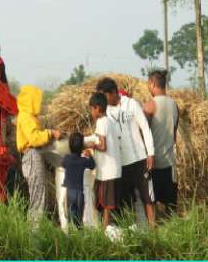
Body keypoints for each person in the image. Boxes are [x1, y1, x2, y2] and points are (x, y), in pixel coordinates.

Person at [97, 77, 156, 227]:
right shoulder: (106, 112)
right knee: (121, 199)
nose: (103, 100)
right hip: (120, 163)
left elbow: (145, 128)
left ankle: (153, 230)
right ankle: (121, 231)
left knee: (147, 198)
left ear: (113, 92)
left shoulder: (132, 104)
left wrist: (150, 153)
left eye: (105, 96)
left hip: (139, 159)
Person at [16, 85, 61, 225]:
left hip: (33, 155)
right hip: (32, 156)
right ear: (30, 100)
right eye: (36, 100)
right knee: (38, 194)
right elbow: (34, 138)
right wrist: (50, 133)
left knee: (39, 192)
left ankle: (35, 228)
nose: (39, 103)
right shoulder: (26, 117)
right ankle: (34, 233)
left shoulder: (27, 117)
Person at [144, 69, 179, 218]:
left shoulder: (150, 105)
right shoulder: (175, 105)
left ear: (152, 84)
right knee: (171, 206)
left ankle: (154, 234)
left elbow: (143, 134)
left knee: (151, 203)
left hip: (154, 163)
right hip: (170, 163)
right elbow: (174, 134)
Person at [85, 91, 121, 228]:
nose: (91, 112)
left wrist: (91, 145)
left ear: (98, 108)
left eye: (91, 109)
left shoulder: (102, 122)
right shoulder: (109, 121)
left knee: (106, 204)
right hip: (112, 170)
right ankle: (106, 228)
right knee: (105, 202)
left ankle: (105, 230)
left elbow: (103, 146)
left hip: (108, 172)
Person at [61, 133, 95, 229]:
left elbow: (62, 164)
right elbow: (92, 165)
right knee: (79, 218)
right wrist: (90, 156)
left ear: (69, 146)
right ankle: (80, 233)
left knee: (69, 215)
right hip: (80, 193)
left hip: (70, 192)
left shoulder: (66, 159)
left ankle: (70, 234)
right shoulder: (83, 160)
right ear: (81, 147)